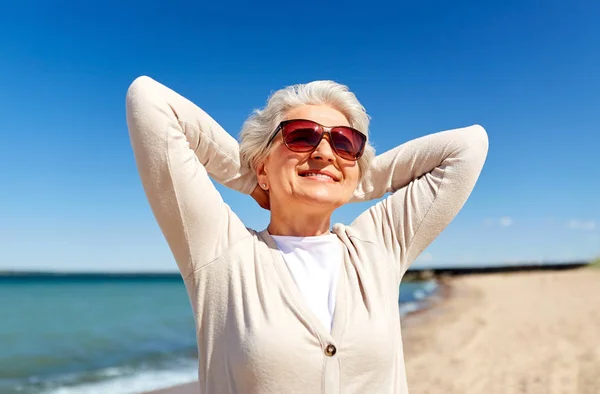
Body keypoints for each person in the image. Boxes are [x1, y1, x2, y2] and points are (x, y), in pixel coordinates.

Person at [125, 75, 488, 394]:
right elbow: (150, 102)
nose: (325, 152)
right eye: (301, 136)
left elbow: (467, 148)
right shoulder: (222, 254)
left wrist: (349, 179)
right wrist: (252, 178)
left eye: (345, 143)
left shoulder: (377, 247)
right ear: (262, 161)